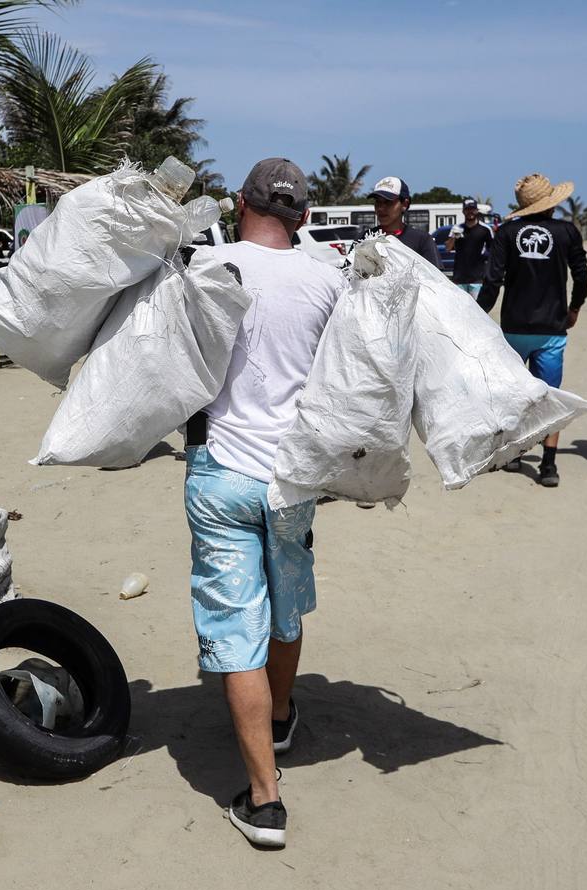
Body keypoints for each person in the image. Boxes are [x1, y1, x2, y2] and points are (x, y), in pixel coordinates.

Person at [186, 158, 344, 850]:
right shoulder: (330, 277)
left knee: (234, 626)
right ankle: (279, 715)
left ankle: (265, 798)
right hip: (292, 476)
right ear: (303, 216)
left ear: (240, 202)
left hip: (221, 472)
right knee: (285, 602)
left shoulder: (210, 267)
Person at [477, 173, 587, 488]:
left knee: (515, 395)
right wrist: (575, 307)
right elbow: (581, 275)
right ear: (552, 203)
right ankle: (548, 466)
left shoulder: (507, 232)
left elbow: (493, 280)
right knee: (549, 397)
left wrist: (477, 312)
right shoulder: (567, 232)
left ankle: (514, 455)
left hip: (514, 327)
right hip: (552, 328)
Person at [369, 176, 440, 267]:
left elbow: (436, 278)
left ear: (404, 204)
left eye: (388, 202)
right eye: (378, 202)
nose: (381, 208)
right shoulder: (365, 239)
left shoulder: (422, 240)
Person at [446, 198, 494, 298]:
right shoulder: (457, 228)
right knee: (460, 309)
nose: (470, 212)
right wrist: (454, 236)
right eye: (467, 209)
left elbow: (493, 251)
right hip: (459, 278)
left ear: (476, 210)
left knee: (477, 310)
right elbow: (448, 248)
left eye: (472, 209)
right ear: (463, 211)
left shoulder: (485, 229)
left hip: (477, 278)